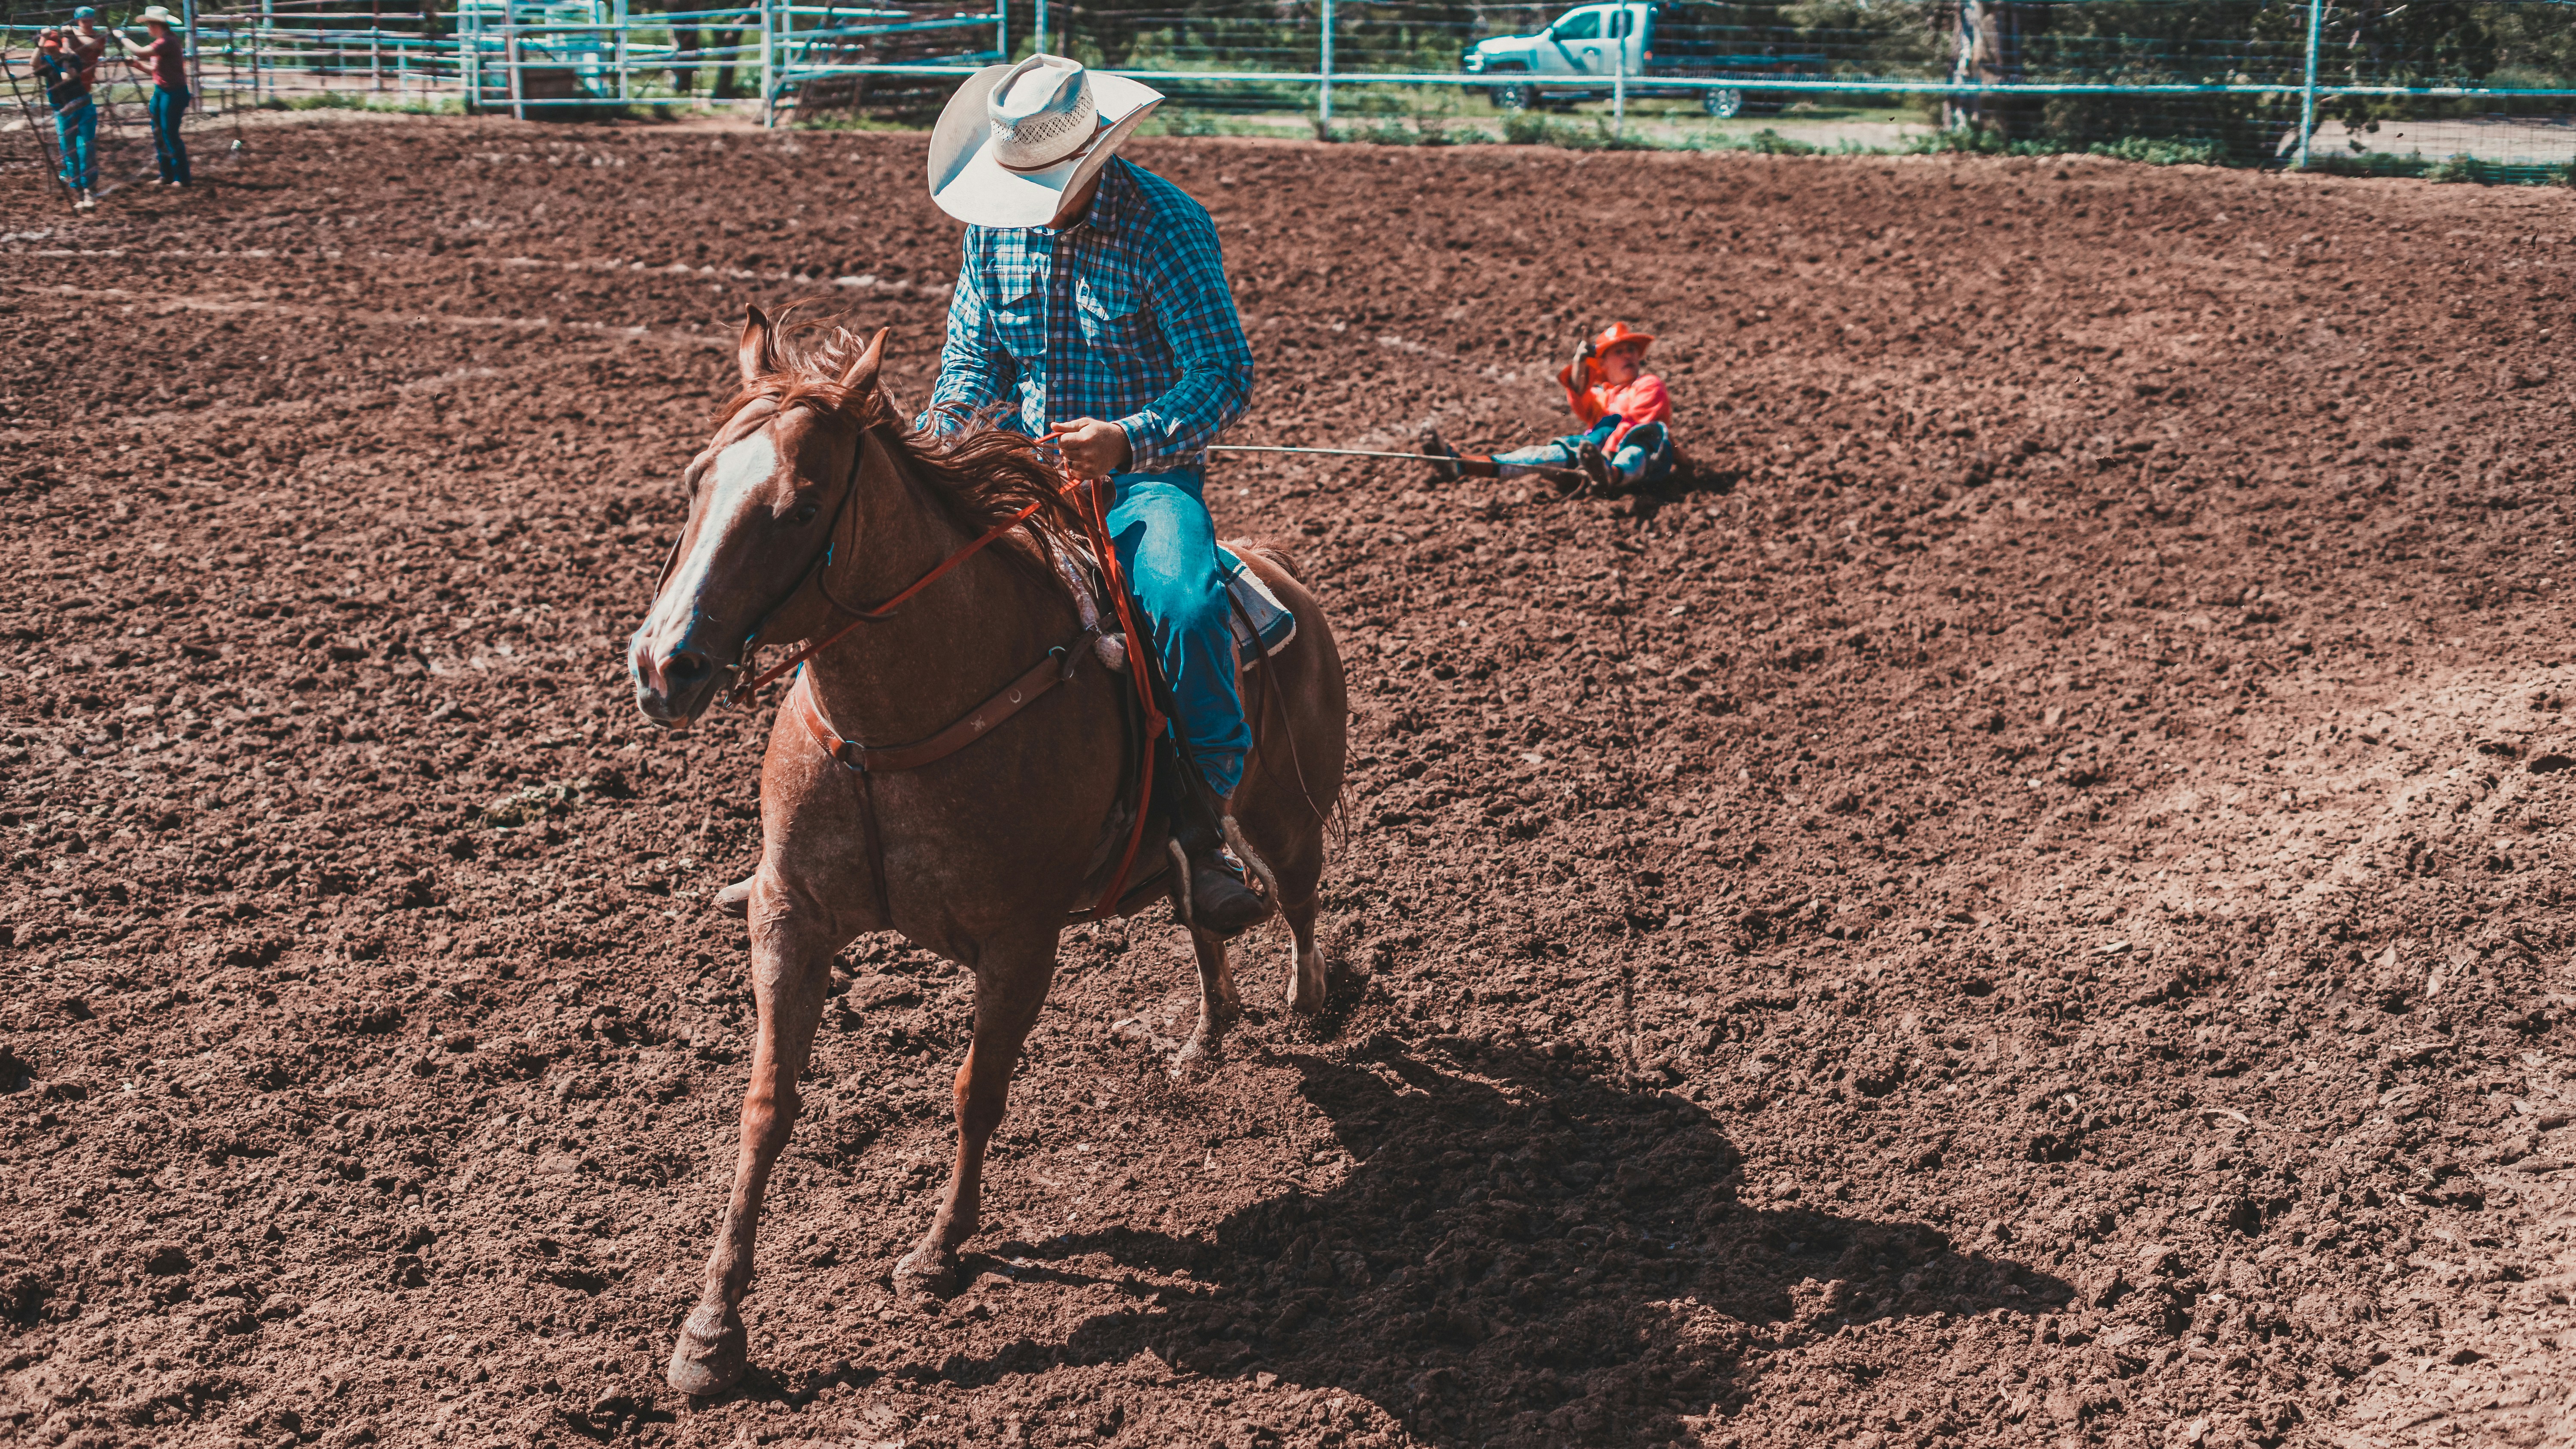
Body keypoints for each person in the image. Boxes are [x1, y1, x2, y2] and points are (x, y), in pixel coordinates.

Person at [926, 55, 1266, 935]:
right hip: (1023, 473)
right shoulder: (994, 229)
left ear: (1090, 162)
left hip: (1145, 480)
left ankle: (1203, 824)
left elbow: (1222, 373)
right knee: (895, 571)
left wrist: (1128, 438)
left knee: (1184, 604)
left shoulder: (1165, 227)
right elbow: (973, 362)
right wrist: (941, 445)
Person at [1422, 322, 1679, 493]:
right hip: (1599, 456)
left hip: (1638, 456)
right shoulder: (1603, 397)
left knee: (1636, 445)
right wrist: (1580, 363)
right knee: (1544, 455)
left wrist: (1607, 455)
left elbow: (1635, 422)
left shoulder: (1648, 384)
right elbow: (1580, 396)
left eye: (1631, 350)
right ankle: (1463, 464)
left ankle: (1608, 474)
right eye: (1619, 351)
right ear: (1602, 364)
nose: (1628, 356)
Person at [117, 6, 191, 188]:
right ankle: (167, 175)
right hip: (163, 91)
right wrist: (137, 65)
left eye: (149, 25)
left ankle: (181, 177)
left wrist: (121, 38)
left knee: (169, 134)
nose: (147, 28)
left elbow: (140, 52)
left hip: (172, 93)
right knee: (160, 133)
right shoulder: (164, 42)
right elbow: (156, 71)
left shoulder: (166, 42)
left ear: (154, 25)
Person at [33, 30, 97, 209]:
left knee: (84, 149)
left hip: (82, 108)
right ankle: (79, 192)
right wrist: (42, 41)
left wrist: (65, 59)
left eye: (53, 48)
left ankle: (89, 191)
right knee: (69, 152)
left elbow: (69, 76)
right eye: (48, 48)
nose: (50, 51)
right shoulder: (46, 62)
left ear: (59, 46)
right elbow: (33, 63)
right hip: (62, 112)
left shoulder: (72, 58)